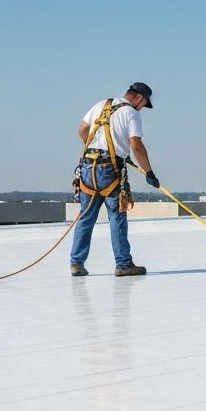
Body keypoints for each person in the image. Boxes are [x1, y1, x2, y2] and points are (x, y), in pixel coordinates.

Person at [69, 82, 160, 277]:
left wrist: (99, 149)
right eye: (144, 104)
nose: (143, 108)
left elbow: (82, 130)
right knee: (117, 217)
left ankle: (76, 263)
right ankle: (123, 264)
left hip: (87, 168)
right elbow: (136, 146)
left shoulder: (100, 105)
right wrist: (149, 172)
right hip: (109, 171)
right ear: (140, 98)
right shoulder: (131, 113)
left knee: (86, 217)